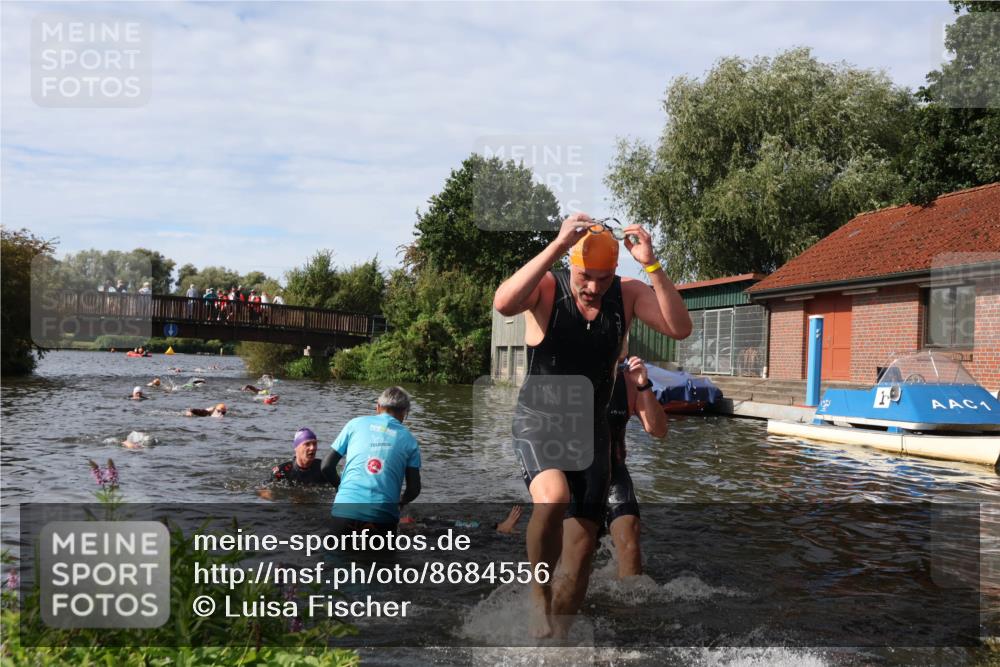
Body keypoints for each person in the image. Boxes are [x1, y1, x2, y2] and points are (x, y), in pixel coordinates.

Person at [492, 213, 691, 638]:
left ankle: (557, 642)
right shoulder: (549, 287)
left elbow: (679, 327)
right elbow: (504, 302)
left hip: (592, 432)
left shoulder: (629, 294)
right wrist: (558, 246)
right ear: (571, 266)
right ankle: (537, 596)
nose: (593, 287)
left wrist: (652, 264)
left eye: (603, 278)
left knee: (581, 555)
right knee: (553, 497)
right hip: (540, 420)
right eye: (585, 276)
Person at [321, 387, 421, 537]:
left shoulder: (354, 424)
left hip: (345, 511)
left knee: (336, 558)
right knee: (381, 560)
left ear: (378, 407)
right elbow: (414, 489)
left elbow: (326, 466)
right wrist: (401, 501)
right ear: (405, 412)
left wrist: (340, 487)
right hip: (382, 518)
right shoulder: (409, 440)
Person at [606, 347, 666, 579]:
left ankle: (629, 608)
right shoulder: (573, 372)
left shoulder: (628, 381)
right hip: (577, 476)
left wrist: (642, 384)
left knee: (630, 542)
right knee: (578, 553)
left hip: (615, 473)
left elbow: (659, 430)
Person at [261, 428, 337, 493]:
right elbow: (264, 492)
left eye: (314, 444)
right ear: (296, 448)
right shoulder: (281, 471)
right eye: (307, 444)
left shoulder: (324, 468)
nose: (312, 448)